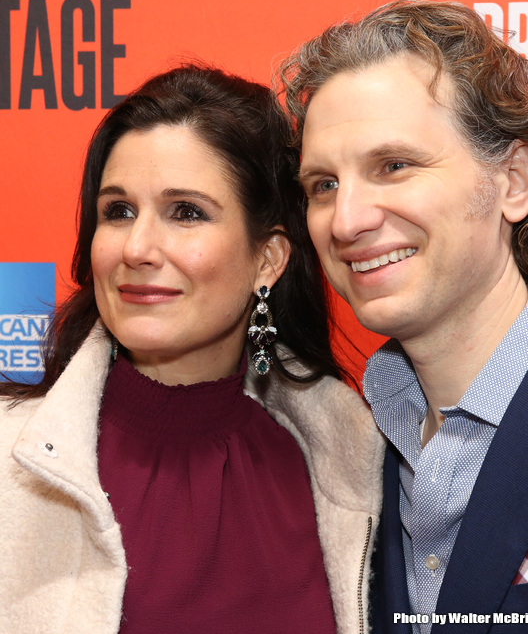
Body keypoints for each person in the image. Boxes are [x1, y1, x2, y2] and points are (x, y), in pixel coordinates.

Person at [0, 64, 385, 634]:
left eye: (186, 212)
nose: (137, 247)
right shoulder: (11, 463)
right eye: (118, 211)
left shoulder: (353, 459)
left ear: (268, 260)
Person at [278, 0, 528, 632]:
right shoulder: (349, 445)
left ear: (513, 182)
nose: (347, 221)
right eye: (323, 185)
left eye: (393, 166)